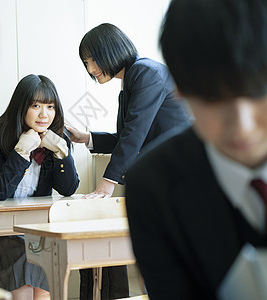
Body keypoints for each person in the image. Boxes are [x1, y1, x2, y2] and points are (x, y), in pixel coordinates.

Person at [125, 0, 267, 299]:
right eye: (213, 99)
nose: (242, 125)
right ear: (179, 90)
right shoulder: (154, 187)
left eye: (258, 91)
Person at [66, 23, 191, 299]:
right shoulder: (131, 81)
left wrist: (107, 184)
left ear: (109, 50)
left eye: (92, 60)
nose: (90, 69)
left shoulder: (145, 73)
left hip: (183, 178)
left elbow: (134, 134)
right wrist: (86, 138)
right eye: (86, 63)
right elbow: (126, 136)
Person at [0, 74, 79, 300]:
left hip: (33, 233)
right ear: (22, 107)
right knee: (30, 257)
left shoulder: (57, 139)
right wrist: (21, 152)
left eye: (50, 107)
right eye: (36, 105)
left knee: (43, 255)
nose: (44, 114)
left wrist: (62, 151)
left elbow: (68, 188)